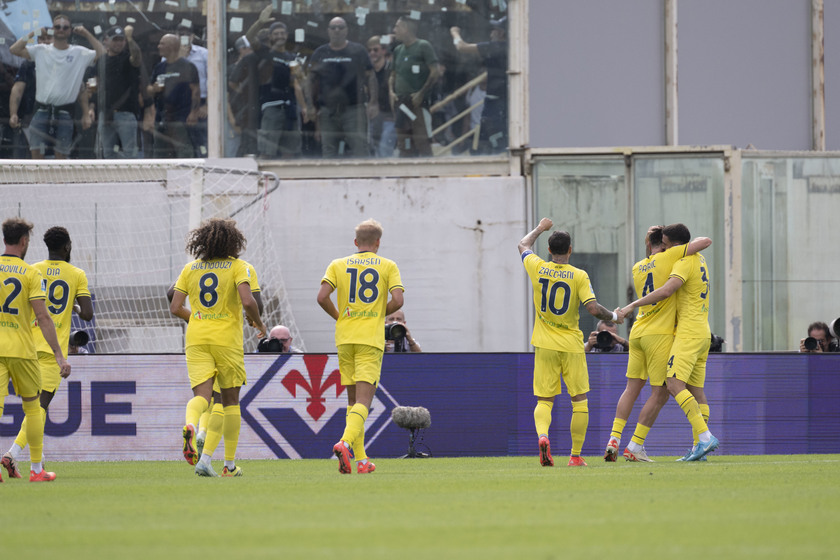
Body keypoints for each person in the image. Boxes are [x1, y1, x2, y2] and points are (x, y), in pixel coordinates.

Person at [518, 217, 623, 467]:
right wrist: (614, 316)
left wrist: (541, 229)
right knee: (579, 401)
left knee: (544, 401)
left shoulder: (537, 266)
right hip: (571, 345)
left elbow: (522, 244)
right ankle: (575, 456)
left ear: (549, 251)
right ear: (570, 250)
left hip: (544, 344)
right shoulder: (579, 276)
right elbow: (594, 309)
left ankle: (543, 437)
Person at [603, 225, 711, 462]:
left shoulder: (638, 266)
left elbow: (652, 256)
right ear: (664, 246)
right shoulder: (671, 257)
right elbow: (703, 242)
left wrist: (650, 241)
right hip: (660, 335)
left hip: (638, 332)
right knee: (661, 393)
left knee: (631, 389)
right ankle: (635, 446)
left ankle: (614, 439)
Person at [170, 218, 266, 477]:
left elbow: (175, 306)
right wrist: (259, 323)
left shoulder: (191, 269)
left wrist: (200, 320)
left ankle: (191, 425)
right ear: (234, 241)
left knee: (202, 397)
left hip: (196, 339)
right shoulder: (239, 267)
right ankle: (229, 464)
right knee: (229, 401)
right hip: (226, 341)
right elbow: (247, 301)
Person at [2, 226, 93, 478]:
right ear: (67, 247)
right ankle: (13, 455)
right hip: (53, 350)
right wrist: (73, 305)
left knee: (28, 406)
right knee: (38, 407)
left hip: (25, 344)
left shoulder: (33, 269)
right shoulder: (76, 274)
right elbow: (87, 314)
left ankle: (30, 459)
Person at [317, 219, 404, 474]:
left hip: (345, 337)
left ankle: (362, 460)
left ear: (356, 242)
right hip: (369, 338)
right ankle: (344, 444)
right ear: (378, 242)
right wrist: (377, 313)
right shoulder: (388, 265)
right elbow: (397, 300)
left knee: (353, 400)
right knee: (364, 401)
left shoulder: (337, 264)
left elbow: (322, 297)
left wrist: (339, 316)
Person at [9, 14, 104, 159]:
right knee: (36, 157)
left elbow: (103, 54)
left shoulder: (79, 52)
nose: (61, 29)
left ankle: (58, 183)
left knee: (61, 159)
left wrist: (86, 33)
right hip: (41, 110)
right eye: (57, 27)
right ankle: (39, 183)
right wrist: (34, 32)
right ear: (52, 29)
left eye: (65, 27)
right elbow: (14, 49)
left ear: (70, 30)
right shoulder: (40, 50)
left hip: (65, 112)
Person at [306, 17, 378, 158]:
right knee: (328, 151)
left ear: (346, 30)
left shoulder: (358, 51)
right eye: (333, 28)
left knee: (360, 150)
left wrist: (373, 102)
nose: (337, 30)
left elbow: (371, 76)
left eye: (340, 27)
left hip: (354, 110)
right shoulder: (320, 52)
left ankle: (363, 179)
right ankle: (329, 180)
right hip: (327, 112)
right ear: (328, 31)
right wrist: (310, 106)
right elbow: (309, 80)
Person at [450, 18, 508, 154]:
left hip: (496, 102)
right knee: (489, 136)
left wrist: (454, 32)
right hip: (501, 100)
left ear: (501, 33)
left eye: (494, 30)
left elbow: (461, 47)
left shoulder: (496, 47)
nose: (491, 34)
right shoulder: (510, 48)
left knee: (492, 135)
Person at [253, 21, 307, 158]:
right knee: (266, 152)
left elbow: (298, 84)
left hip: (290, 108)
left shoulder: (292, 58)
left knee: (289, 152)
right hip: (271, 107)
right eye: (276, 34)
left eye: (282, 33)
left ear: (287, 35)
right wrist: (260, 22)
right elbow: (248, 39)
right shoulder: (265, 53)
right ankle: (264, 179)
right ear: (270, 36)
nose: (280, 36)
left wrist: (305, 107)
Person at [390, 16, 440, 157]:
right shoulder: (398, 50)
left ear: (406, 28)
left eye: (397, 27)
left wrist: (421, 93)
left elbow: (435, 72)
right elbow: (393, 75)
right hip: (401, 103)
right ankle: (407, 176)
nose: (394, 30)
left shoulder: (423, 46)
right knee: (404, 144)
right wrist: (391, 92)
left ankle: (429, 177)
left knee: (422, 142)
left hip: (418, 104)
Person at [148, 34, 200, 159]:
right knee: (160, 152)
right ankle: (160, 177)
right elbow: (149, 89)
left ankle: (187, 176)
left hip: (181, 117)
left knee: (183, 150)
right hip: (161, 117)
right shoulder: (159, 67)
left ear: (171, 47)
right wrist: (153, 89)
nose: (158, 46)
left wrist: (194, 112)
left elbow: (196, 90)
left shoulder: (187, 66)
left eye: (162, 44)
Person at [97, 25, 142, 158]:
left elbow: (137, 57)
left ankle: (132, 179)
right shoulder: (102, 60)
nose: (118, 43)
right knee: (108, 153)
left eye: (121, 40)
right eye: (115, 39)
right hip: (105, 113)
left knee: (130, 154)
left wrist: (129, 38)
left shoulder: (128, 58)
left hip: (126, 113)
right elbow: (98, 85)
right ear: (106, 40)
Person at [177, 23, 208, 157]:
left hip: (201, 103)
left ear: (193, 36)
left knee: (202, 142)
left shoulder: (204, 53)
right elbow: (170, 80)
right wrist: (181, 59)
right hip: (180, 104)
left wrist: (207, 105)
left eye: (187, 34)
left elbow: (213, 80)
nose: (184, 37)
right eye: (181, 34)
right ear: (176, 36)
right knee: (182, 142)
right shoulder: (170, 56)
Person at [366, 35, 395, 157]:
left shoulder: (392, 70)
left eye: (376, 50)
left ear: (383, 51)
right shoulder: (367, 72)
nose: (372, 53)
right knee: (373, 153)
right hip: (373, 119)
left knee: (384, 151)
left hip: (390, 118)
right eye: (370, 50)